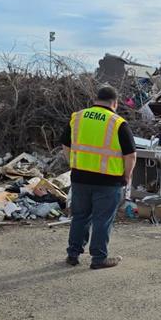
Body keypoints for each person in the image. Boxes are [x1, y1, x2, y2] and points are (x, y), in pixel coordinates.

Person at [61, 85, 136, 269]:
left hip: (80, 178)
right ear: (115, 103)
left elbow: (65, 144)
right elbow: (131, 155)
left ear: (96, 99)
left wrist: (74, 163)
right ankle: (98, 258)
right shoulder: (118, 123)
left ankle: (73, 254)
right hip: (108, 181)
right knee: (102, 220)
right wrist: (127, 176)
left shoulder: (77, 117)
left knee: (79, 217)